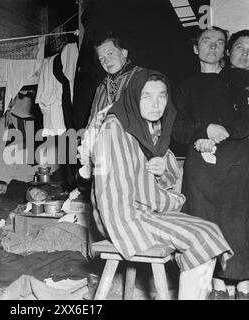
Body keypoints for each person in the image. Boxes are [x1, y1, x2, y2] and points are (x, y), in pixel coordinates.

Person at [79, 68, 233, 299]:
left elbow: (165, 169)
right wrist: (171, 200)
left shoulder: (150, 126)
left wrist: (162, 167)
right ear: (133, 97)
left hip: (144, 208)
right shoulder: (114, 129)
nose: (156, 104)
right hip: (122, 216)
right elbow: (116, 192)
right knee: (200, 238)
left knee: (210, 230)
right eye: (147, 96)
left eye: (162, 96)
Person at [172, 27, 249, 299]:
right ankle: (214, 283)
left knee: (238, 221)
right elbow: (177, 128)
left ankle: (242, 283)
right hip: (201, 167)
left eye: (219, 43)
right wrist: (203, 132)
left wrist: (219, 134)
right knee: (204, 221)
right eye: (207, 42)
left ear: (225, 50)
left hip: (237, 163)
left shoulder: (238, 81)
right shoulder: (184, 87)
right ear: (196, 48)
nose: (213, 47)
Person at [86, 32, 144, 127]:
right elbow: (92, 123)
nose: (106, 61)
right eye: (101, 58)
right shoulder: (101, 88)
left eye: (110, 53)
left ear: (124, 52)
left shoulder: (140, 78)